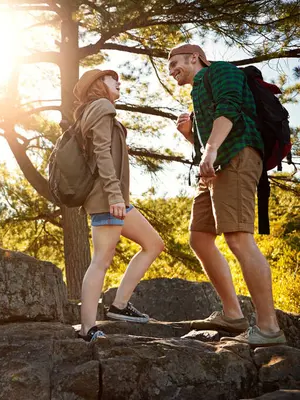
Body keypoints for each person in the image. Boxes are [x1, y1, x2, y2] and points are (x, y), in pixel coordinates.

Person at [168, 44, 286, 346]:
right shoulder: (197, 91)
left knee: (237, 237)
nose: (171, 71)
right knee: (199, 236)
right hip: (214, 168)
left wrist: (208, 150)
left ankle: (269, 328)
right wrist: (191, 136)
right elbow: (210, 136)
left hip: (236, 156)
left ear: (194, 57)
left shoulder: (220, 71)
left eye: (174, 63)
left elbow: (230, 108)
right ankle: (233, 314)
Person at [74, 69, 165, 342]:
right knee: (101, 259)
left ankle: (119, 305)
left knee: (154, 243)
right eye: (112, 78)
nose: (119, 82)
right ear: (99, 84)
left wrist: (118, 197)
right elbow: (102, 152)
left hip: (116, 198)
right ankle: (87, 328)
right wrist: (114, 195)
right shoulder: (100, 107)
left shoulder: (96, 109)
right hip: (107, 197)